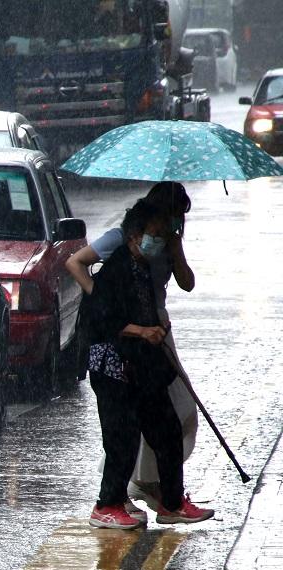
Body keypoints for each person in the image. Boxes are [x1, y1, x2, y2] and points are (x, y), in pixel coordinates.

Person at [66, 182, 200, 522]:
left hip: (144, 355)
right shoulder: (118, 267)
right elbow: (105, 317)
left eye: (165, 232)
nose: (161, 237)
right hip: (116, 361)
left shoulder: (145, 263)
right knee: (122, 435)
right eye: (156, 233)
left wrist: (153, 329)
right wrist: (137, 327)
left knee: (165, 427)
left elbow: (183, 283)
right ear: (135, 235)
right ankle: (110, 503)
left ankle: (168, 499)